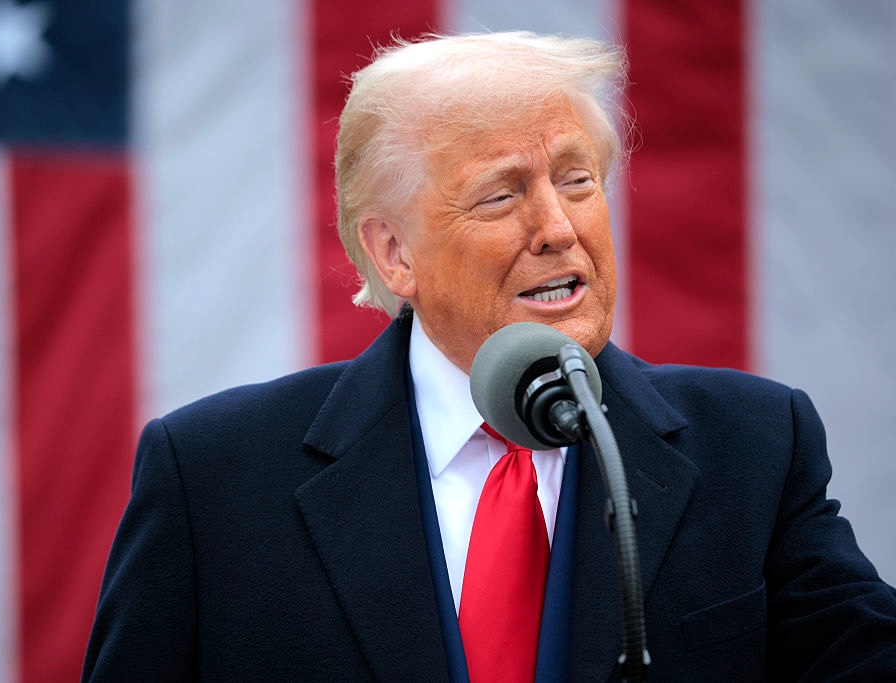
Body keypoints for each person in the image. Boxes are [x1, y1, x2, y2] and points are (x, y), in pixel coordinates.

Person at [82, 32, 896, 681]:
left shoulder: (753, 447)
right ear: (395, 252)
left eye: (577, 180)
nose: (557, 227)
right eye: (502, 194)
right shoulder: (214, 478)